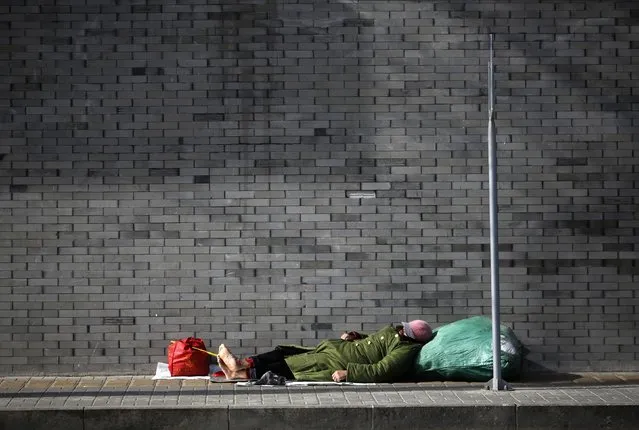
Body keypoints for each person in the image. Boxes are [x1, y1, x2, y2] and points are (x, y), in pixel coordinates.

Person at [217, 320, 433, 383]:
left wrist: (349, 373)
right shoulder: (396, 335)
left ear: (410, 337)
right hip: (335, 349)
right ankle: (242, 365)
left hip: (337, 362)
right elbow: (373, 343)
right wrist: (356, 337)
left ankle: (240, 371)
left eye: (404, 330)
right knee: (285, 352)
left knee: (292, 366)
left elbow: (383, 370)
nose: (399, 329)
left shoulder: (405, 350)